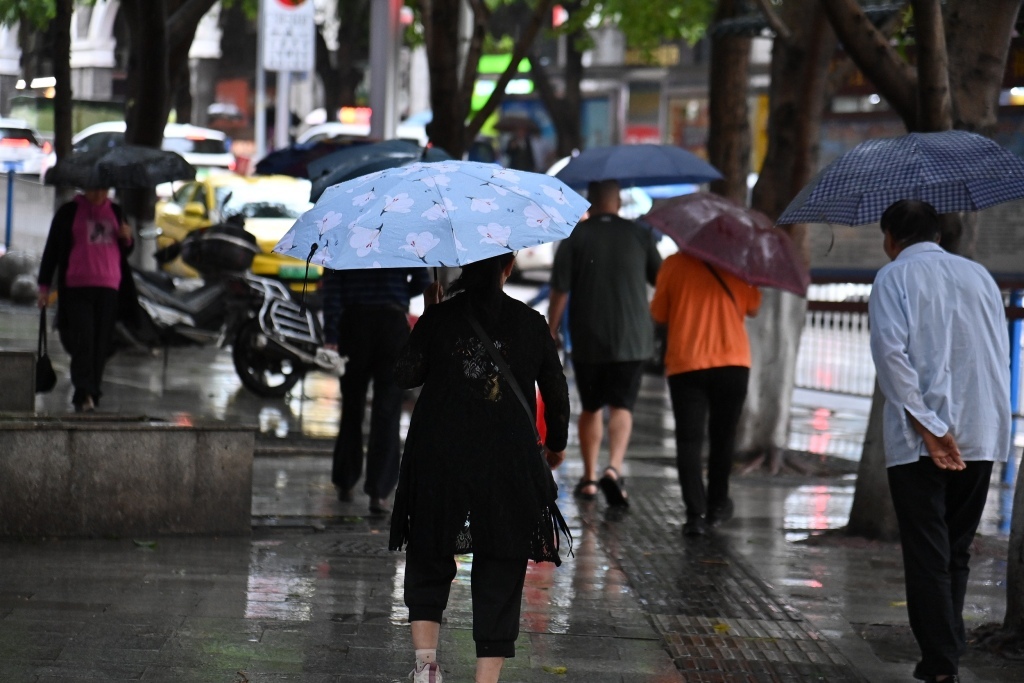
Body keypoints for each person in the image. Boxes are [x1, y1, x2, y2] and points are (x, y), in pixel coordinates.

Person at [389, 253, 570, 683]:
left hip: (439, 457)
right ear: (507, 268)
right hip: (508, 460)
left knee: (430, 551)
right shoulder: (531, 322)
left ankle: (426, 668)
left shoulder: (441, 317)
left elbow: (404, 375)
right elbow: (558, 396)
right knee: (501, 562)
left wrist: (428, 320)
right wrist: (556, 446)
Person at [869, 200, 1011, 683]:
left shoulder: (893, 278)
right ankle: (946, 649)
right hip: (982, 432)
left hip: (919, 440)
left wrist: (929, 426)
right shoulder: (980, 277)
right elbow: (997, 356)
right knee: (956, 549)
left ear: (891, 237)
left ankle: (941, 660)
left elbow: (892, 356)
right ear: (939, 232)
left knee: (928, 551)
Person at [547, 179, 662, 507]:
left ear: (590, 201)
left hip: (588, 336)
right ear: (618, 201)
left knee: (592, 406)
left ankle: (589, 479)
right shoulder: (640, 234)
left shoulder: (576, 235)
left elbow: (560, 289)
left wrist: (551, 331)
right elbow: (661, 278)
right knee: (622, 405)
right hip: (633, 339)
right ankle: (613, 468)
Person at [649, 251, 761, 536]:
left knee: (689, 440)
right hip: (733, 363)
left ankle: (695, 514)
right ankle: (717, 506)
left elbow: (658, 313)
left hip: (687, 363)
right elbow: (753, 307)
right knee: (724, 439)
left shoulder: (673, 264)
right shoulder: (737, 263)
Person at [322, 267, 430, 514]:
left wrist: (331, 334)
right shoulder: (401, 233)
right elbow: (422, 281)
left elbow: (332, 289)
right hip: (392, 326)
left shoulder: (344, 233)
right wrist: (399, 290)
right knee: (387, 410)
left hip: (354, 324)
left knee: (352, 406)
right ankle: (379, 493)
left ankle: (345, 482)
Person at [36, 187, 134, 412]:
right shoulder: (69, 212)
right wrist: (43, 287)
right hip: (76, 287)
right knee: (83, 339)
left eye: (103, 190)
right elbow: (52, 250)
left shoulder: (116, 212)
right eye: (94, 189)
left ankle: (91, 391)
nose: (99, 195)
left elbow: (125, 250)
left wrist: (127, 239)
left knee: (101, 343)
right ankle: (83, 390)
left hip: (109, 287)